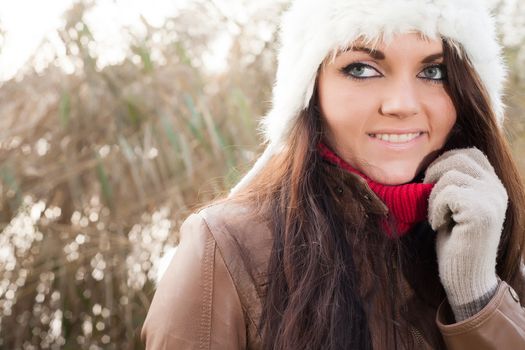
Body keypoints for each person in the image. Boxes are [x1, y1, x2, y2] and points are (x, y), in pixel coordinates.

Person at [141, 0, 525, 349]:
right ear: (311, 90)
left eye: (435, 71)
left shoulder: (493, 227)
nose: (402, 105)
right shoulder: (224, 249)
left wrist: (478, 298)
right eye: (361, 69)